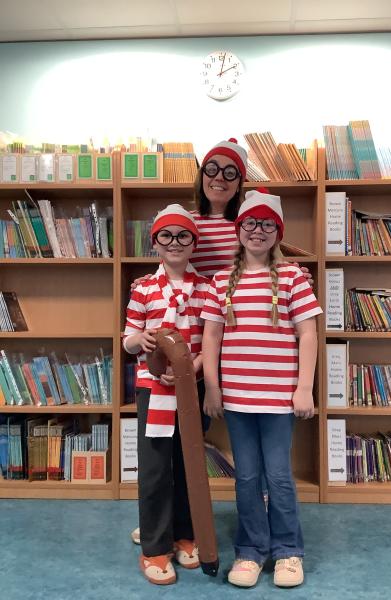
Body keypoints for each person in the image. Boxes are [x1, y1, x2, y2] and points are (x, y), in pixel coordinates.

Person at [129, 138, 313, 544]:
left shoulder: (246, 221)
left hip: (232, 347)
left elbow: (272, 255)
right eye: (212, 169)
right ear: (201, 175)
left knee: (196, 444)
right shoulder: (188, 221)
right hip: (191, 337)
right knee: (166, 444)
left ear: (240, 182)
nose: (219, 178)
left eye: (231, 173)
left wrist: (298, 272)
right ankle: (161, 520)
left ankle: (209, 522)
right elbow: (171, 259)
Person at [201, 188, 323, 588]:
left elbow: (308, 334)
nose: (257, 230)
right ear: (239, 229)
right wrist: (212, 388)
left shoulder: (292, 278)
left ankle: (288, 551)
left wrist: (304, 387)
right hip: (237, 399)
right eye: (250, 223)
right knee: (247, 478)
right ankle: (250, 551)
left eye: (267, 224)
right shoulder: (221, 281)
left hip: (279, 400)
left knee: (279, 476)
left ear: (278, 232)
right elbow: (211, 337)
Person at [123, 204, 210, 585]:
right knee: (155, 468)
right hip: (153, 389)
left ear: (194, 242)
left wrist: (192, 369)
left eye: (183, 235)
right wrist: (138, 340)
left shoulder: (207, 288)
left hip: (192, 387)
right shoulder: (142, 288)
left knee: (188, 464)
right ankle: (154, 547)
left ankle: (185, 534)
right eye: (166, 235)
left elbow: (210, 342)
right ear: (155, 242)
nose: (175, 242)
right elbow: (127, 339)